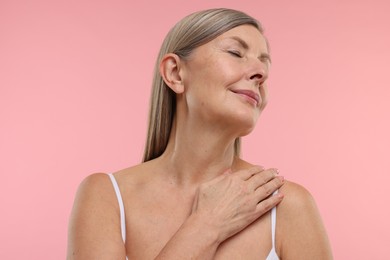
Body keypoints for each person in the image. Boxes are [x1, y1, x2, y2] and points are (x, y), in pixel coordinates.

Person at [67, 8, 332, 259]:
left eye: (265, 65)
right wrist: (207, 225)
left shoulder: (288, 206)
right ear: (175, 73)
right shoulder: (105, 197)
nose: (261, 73)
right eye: (236, 52)